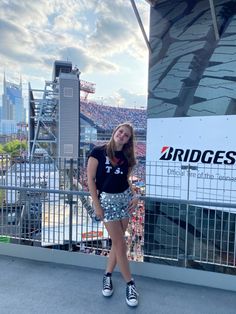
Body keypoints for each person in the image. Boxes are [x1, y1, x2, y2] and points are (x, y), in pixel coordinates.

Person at [87, 122, 139, 307]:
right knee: (120, 243)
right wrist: (97, 205)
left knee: (117, 245)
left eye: (126, 135)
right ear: (114, 132)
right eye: (120, 132)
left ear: (128, 140)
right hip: (107, 201)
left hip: (124, 200)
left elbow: (125, 179)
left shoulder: (126, 156)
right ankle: (130, 284)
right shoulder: (98, 152)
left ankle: (107, 276)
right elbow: (90, 180)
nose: (122, 136)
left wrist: (135, 195)